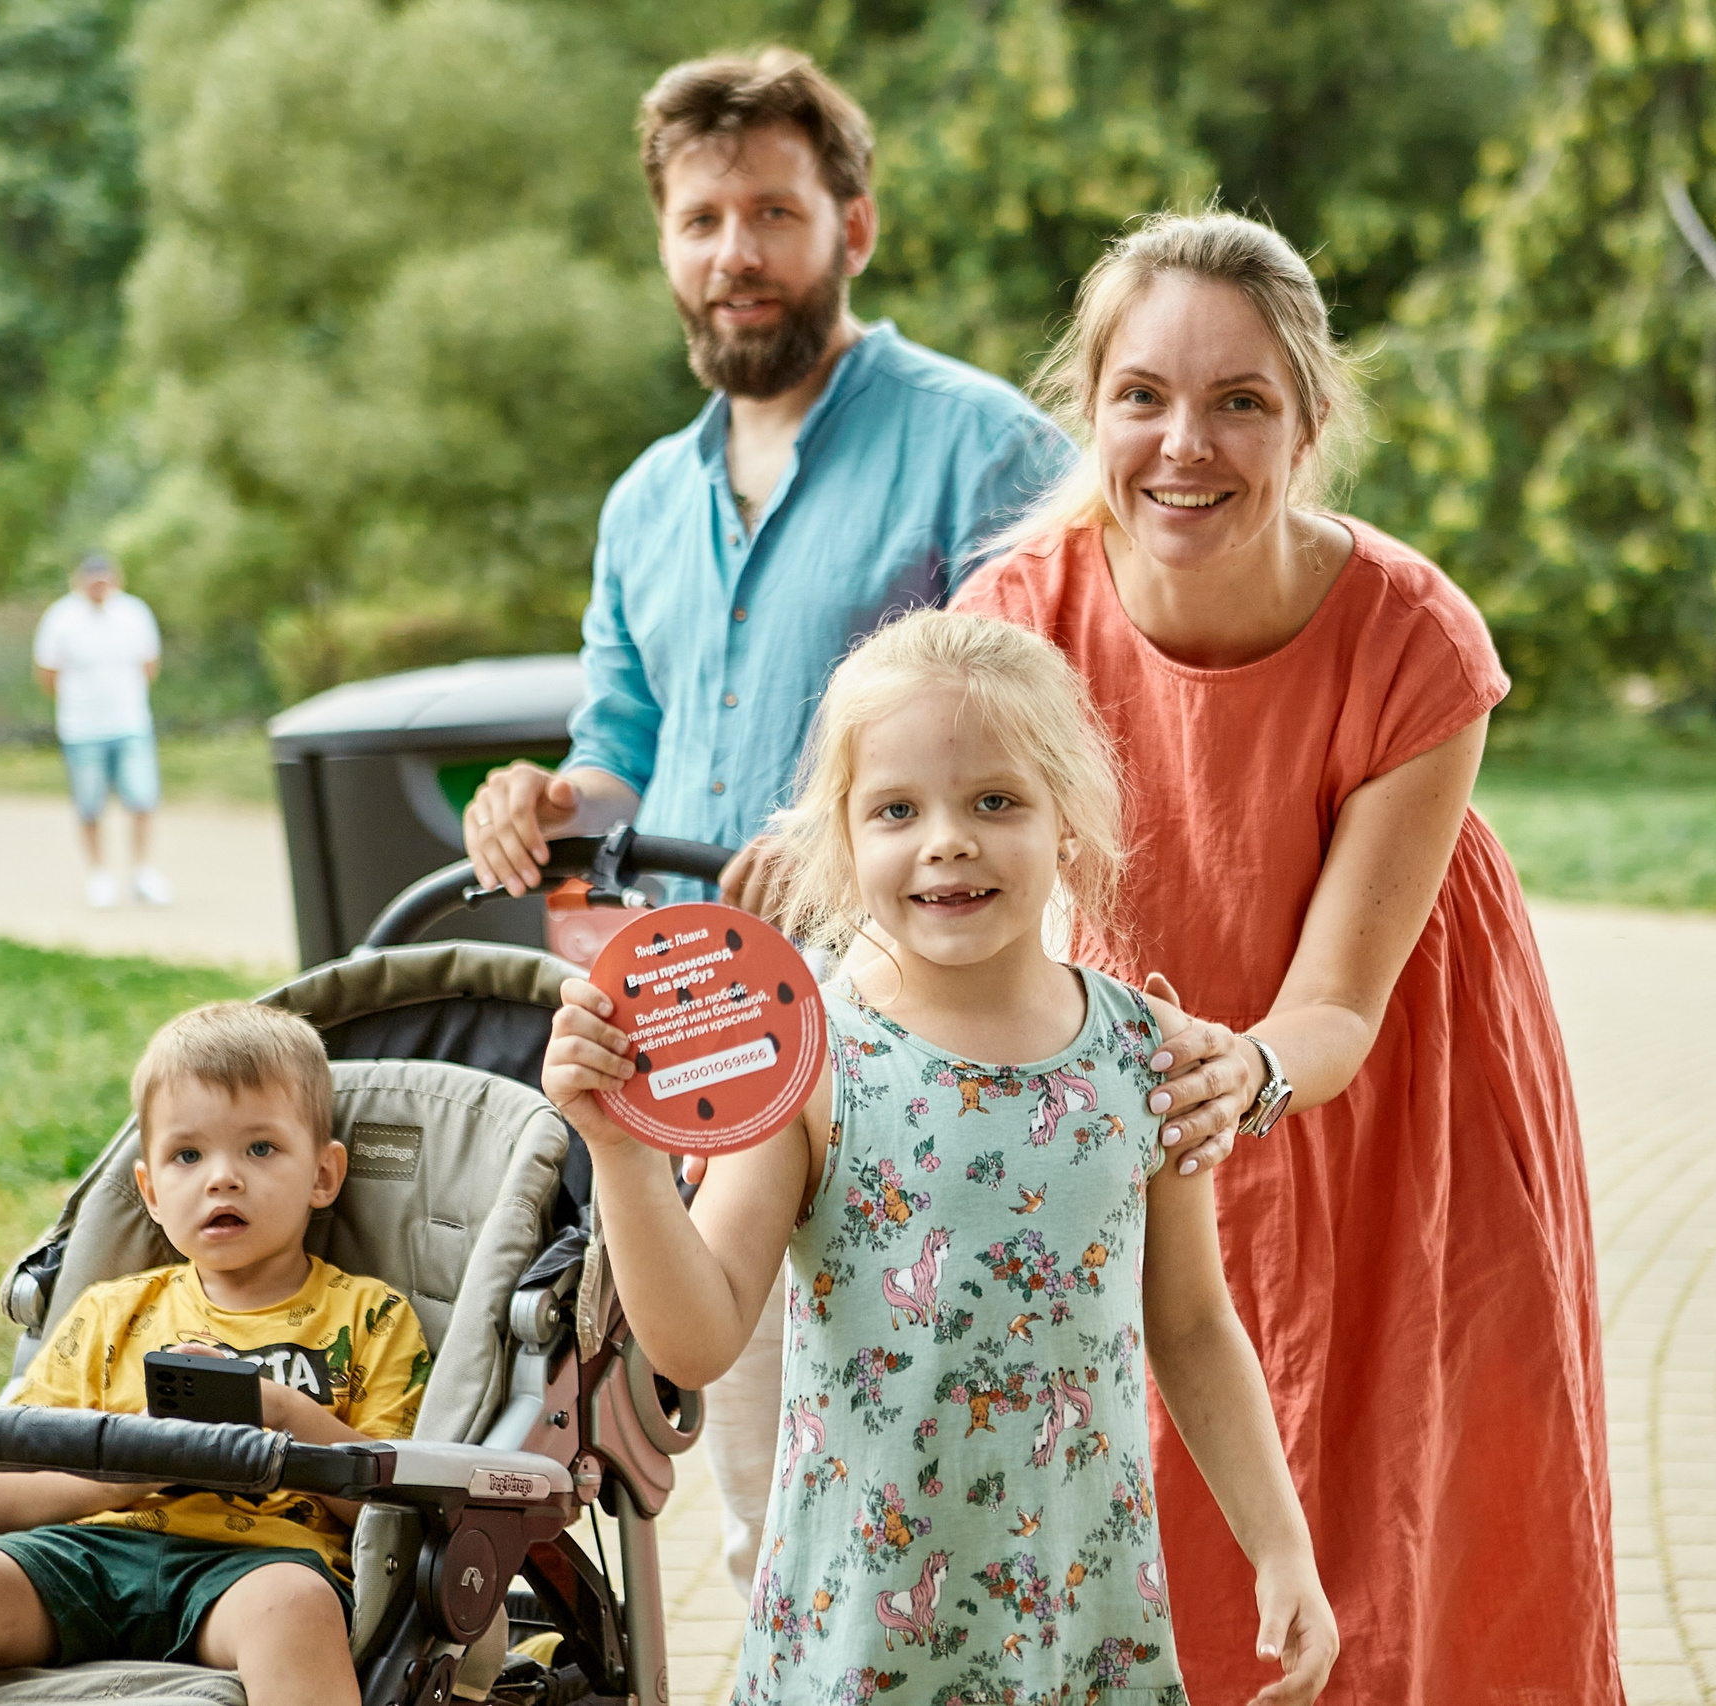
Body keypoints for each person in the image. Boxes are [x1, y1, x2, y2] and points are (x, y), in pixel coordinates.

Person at [953, 212, 1620, 1705]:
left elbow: (1333, 1005)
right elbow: (946, 900)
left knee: (1418, 1505)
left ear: (1309, 424)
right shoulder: (1019, 617)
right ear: (1092, 405)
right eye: (1144, 395)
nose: (1185, 443)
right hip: (1147, 1083)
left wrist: (1250, 1067)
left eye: (1240, 400)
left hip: (1399, 1093)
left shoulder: (1413, 639)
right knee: (1164, 1503)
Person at [461, 48, 1069, 1592]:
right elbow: (625, 753)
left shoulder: (981, 445)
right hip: (709, 1056)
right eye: (701, 219)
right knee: (766, 1493)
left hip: (921, 1040)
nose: (736, 253)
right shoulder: (643, 503)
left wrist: (839, 833)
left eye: (774, 213)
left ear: (852, 226)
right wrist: (547, 797)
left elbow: (1050, 738)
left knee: (942, 1464)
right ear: (664, 242)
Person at [542, 612, 1338, 1705]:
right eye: (896, 810)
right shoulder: (809, 1061)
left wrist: (1282, 1546)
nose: (946, 839)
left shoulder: (1145, 1052)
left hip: (1076, 1616)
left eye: (995, 801)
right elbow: (700, 1332)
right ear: (844, 839)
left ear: (1069, 822)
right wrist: (624, 1155)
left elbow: (1193, 1323)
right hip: (861, 1632)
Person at [0, 1002, 432, 1706]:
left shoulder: (371, 1315)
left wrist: (277, 1412)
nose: (222, 1178)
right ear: (149, 1190)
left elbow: (400, 1513)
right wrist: (124, 1466)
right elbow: (1, 1498)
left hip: (260, 1568)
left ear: (324, 1176)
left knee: (294, 1609)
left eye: (260, 1148)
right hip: (91, 1557)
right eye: (188, 1155)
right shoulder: (114, 1313)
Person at [33, 553, 172, 909]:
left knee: (142, 798)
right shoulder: (61, 618)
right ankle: (99, 874)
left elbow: (149, 665)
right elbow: (47, 674)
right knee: (90, 804)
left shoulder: (134, 613)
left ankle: (142, 871)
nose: (99, 585)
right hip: (82, 728)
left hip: (130, 723)